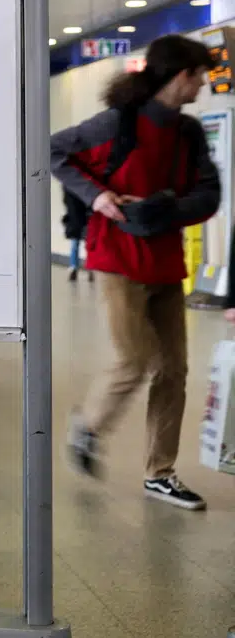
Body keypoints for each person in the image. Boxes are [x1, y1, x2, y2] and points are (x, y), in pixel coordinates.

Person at [54, 34, 219, 510]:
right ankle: (89, 428)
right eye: (199, 76)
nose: (203, 86)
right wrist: (98, 197)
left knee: (174, 370)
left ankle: (160, 473)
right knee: (135, 358)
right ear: (181, 75)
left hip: (166, 261)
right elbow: (52, 150)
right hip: (118, 261)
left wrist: (164, 208)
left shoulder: (188, 133)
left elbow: (208, 195)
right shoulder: (117, 123)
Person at [63, 186, 92, 282]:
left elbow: (67, 203)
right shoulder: (85, 188)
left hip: (76, 220)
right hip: (84, 220)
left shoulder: (70, 188)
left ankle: (74, 267)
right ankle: (89, 269)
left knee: (75, 245)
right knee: (87, 245)